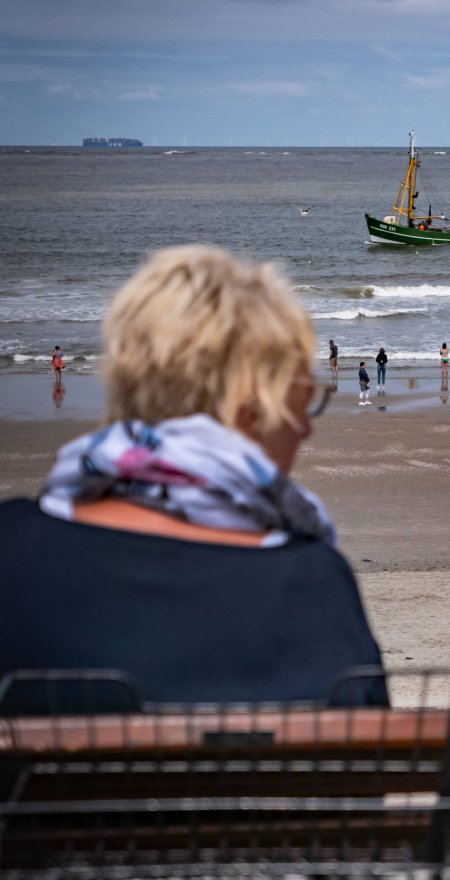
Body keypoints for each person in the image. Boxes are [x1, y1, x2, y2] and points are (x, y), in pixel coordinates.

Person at [0, 246, 387, 707]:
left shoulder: (13, 551)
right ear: (249, 404)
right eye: (302, 401)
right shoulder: (314, 584)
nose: (305, 428)